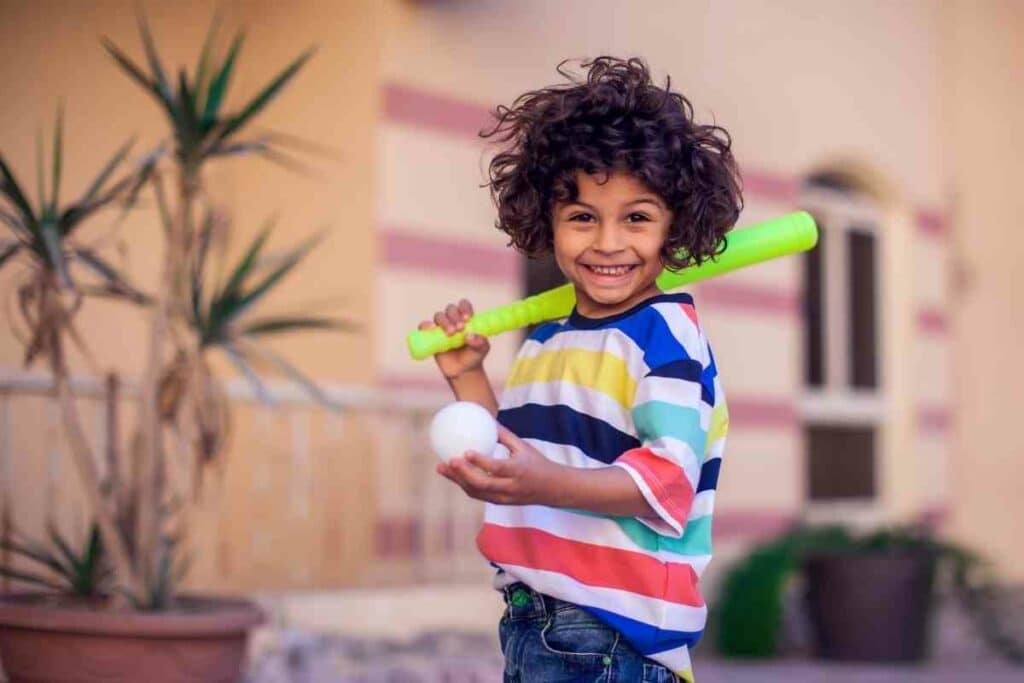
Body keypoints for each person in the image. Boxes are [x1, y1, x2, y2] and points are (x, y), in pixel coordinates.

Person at [418, 56, 742, 683]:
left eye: (637, 217)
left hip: (611, 637)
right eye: (583, 216)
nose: (608, 242)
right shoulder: (549, 336)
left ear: (676, 225)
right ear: (549, 220)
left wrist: (544, 483)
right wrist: (465, 378)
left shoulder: (665, 336)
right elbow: (517, 457)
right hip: (534, 619)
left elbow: (665, 482)